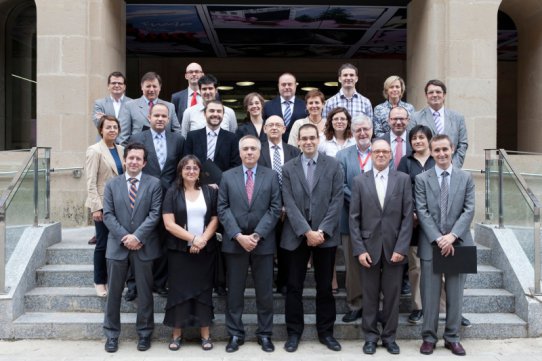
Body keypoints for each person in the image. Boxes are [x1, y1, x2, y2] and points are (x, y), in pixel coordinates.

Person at [281, 124, 344, 353]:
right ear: (298, 141)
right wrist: (307, 232)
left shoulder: (334, 165)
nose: (308, 142)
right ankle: (294, 333)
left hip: (325, 237)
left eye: (312, 138)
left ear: (318, 139)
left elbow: (337, 200)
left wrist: (322, 232)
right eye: (304, 138)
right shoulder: (288, 168)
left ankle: (326, 332)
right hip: (296, 236)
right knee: (294, 287)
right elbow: (288, 202)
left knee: (325, 287)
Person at [218, 135, 282, 353]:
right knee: (234, 292)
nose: (249, 152)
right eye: (245, 149)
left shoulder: (271, 176)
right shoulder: (227, 176)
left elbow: (275, 208)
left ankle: (265, 334)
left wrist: (256, 235)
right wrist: (237, 235)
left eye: (253, 148)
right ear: (240, 152)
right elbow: (223, 208)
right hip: (235, 244)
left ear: (259, 151)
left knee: (264, 293)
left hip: (262, 244)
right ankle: (235, 334)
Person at [349, 138, 413, 355]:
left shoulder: (403, 180)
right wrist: (359, 249)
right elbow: (354, 219)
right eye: (377, 151)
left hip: (395, 248)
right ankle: (370, 337)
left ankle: (389, 337)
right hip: (368, 248)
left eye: (385, 151)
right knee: (369, 295)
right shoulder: (359, 181)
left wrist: (401, 248)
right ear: (371, 153)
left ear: (390, 155)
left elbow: (407, 218)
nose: (381, 155)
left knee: (393, 295)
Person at [415, 134, 475, 356]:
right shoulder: (422, 179)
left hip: (458, 244)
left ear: (452, 150)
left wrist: (452, 236)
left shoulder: (465, 178)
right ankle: (428, 338)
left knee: (455, 294)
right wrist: (439, 238)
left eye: (445, 150)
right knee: (429, 295)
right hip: (431, 244)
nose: (441, 154)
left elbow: (469, 210)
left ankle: (452, 337)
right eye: (436, 150)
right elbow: (422, 211)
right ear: (431, 152)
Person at [102, 143, 162, 353]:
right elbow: (107, 215)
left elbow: (155, 214)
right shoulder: (112, 184)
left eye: (138, 159)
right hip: (117, 246)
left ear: (144, 163)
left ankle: (145, 334)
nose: (134, 161)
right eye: (131, 158)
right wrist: (125, 237)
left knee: (145, 293)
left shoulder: (154, 184)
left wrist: (137, 236)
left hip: (143, 246)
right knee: (114, 294)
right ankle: (111, 335)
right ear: (125, 160)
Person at [127, 103, 185, 298]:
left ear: (168, 119)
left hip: (169, 197)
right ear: (149, 117)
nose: (160, 119)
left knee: (163, 240)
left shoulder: (178, 140)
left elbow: (181, 168)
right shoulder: (137, 138)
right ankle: (133, 284)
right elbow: (132, 167)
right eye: (156, 115)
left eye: (164, 116)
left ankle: (159, 283)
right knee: (139, 237)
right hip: (142, 195)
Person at [162, 155, 219, 351]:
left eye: (195, 168)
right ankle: (177, 335)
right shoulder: (172, 192)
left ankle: (205, 335)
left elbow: (215, 218)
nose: (191, 171)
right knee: (179, 293)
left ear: (200, 171)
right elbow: (169, 224)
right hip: (179, 252)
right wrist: (193, 239)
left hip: (205, 251)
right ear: (180, 171)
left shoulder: (209, 191)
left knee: (204, 293)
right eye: (187, 168)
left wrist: (202, 239)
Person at [335, 114, 373, 323]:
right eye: (358, 130)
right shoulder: (342, 155)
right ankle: (355, 304)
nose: (362, 133)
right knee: (352, 264)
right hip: (350, 218)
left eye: (365, 129)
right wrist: (362, 202)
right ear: (352, 132)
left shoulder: (381, 151)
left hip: (378, 221)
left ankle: (374, 305)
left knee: (376, 263)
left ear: (372, 130)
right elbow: (340, 185)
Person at [258, 115, 300, 295]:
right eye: (270, 125)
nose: (274, 128)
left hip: (288, 209)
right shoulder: (257, 150)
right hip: (264, 208)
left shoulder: (294, 151)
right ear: (265, 129)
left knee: (286, 248)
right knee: (266, 247)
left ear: (284, 129)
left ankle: (283, 282)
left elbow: (297, 181)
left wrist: (286, 206)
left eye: (278, 125)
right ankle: (266, 283)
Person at [397, 125, 435, 325]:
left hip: (436, 222)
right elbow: (402, 188)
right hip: (412, 222)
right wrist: (411, 212)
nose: (418, 141)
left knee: (440, 266)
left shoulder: (437, 158)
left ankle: (446, 307)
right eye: (414, 138)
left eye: (421, 137)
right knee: (416, 267)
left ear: (429, 139)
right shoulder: (406, 161)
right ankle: (418, 307)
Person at [88, 71, 131, 245]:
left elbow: (132, 124)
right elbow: (98, 122)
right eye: (113, 83)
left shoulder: (131, 103)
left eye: (120, 83)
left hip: (124, 149)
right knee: (101, 185)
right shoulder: (100, 103)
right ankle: (99, 231)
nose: (117, 85)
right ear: (108, 85)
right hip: (105, 149)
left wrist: (120, 143)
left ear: (124, 86)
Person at [85, 115, 124, 297]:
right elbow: (90, 181)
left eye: (115, 127)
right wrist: (96, 207)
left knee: (117, 242)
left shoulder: (122, 149)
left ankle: (115, 279)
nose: (112, 130)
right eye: (108, 127)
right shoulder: (94, 150)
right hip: (102, 203)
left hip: (121, 204)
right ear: (101, 130)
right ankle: (100, 281)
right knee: (102, 243)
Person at [410, 79, 468, 168]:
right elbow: (411, 144)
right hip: (425, 170)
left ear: (444, 95)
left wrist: (453, 166)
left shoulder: (458, 118)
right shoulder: (415, 117)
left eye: (438, 92)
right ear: (426, 96)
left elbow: (463, 144)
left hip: (451, 169)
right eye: (431, 92)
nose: (435, 95)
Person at [118, 72, 180, 145]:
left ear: (160, 87)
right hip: (138, 153)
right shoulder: (129, 106)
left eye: (154, 86)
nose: (151, 89)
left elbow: (177, 133)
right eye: (148, 86)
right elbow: (123, 137)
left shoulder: (170, 106)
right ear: (142, 87)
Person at [183, 100, 241, 177]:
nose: (215, 114)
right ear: (204, 114)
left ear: (223, 115)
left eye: (219, 111)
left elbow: (235, 165)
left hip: (223, 184)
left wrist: (222, 181)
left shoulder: (232, 138)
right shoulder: (192, 136)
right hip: (196, 183)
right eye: (211, 111)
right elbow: (186, 162)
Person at [263, 72, 308, 142]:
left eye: (290, 84)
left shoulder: (305, 106)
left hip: (298, 148)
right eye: (283, 84)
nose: (287, 87)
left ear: (295, 86)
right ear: (278, 86)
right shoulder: (267, 106)